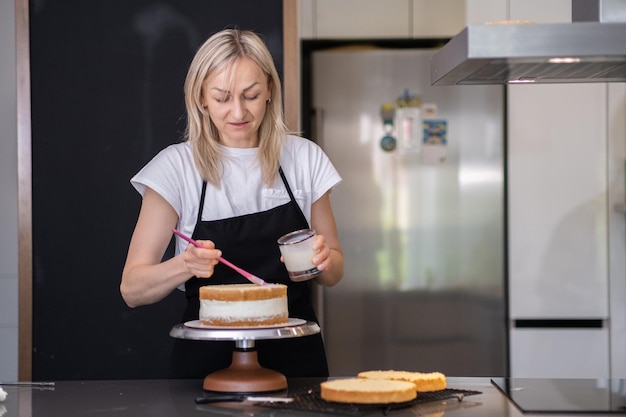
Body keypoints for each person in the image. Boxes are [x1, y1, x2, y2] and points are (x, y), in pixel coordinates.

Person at [120, 28, 344, 378]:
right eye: (222, 98)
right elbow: (132, 289)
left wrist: (323, 260)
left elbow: (334, 272)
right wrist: (185, 265)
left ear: (270, 89)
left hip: (296, 363)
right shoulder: (176, 167)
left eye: (250, 95)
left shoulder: (304, 159)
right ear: (201, 98)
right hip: (205, 366)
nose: (237, 111)